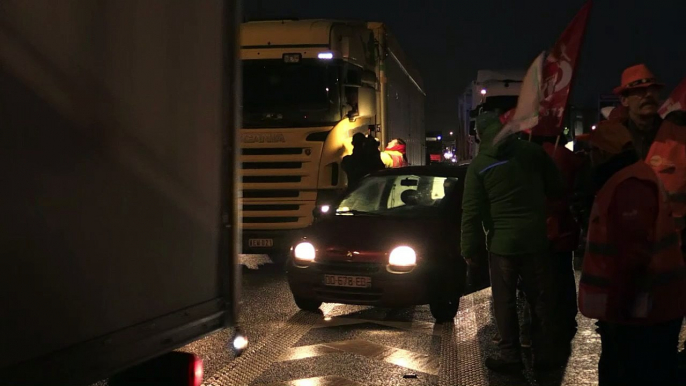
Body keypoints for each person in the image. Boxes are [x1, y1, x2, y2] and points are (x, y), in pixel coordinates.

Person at [576, 120, 686, 386]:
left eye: (592, 151)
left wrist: (617, 312)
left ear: (603, 154)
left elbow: (632, 259)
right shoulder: (629, 178)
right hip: (647, 311)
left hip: (642, 315)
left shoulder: (628, 186)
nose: (589, 157)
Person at [461, 112, 566, 373]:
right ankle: (545, 356)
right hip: (535, 240)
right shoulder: (532, 153)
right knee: (540, 299)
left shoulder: (480, 165)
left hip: (501, 244)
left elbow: (471, 212)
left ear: (480, 135)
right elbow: (557, 188)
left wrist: (470, 249)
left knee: (504, 302)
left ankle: (510, 356)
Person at [529, 132, 584, 342]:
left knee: (546, 278)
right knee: (564, 274)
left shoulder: (541, 156)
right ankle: (567, 318)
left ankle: (549, 324)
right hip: (567, 228)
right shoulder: (569, 157)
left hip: (547, 227)